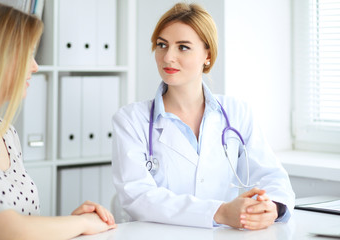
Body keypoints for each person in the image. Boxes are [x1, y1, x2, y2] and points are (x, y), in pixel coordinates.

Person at [112, 2, 295, 230]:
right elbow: (137, 197)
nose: (168, 57)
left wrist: (272, 207)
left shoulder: (237, 112)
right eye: (162, 45)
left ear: (207, 54)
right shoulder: (131, 120)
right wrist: (219, 212)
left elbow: (272, 176)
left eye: (183, 47)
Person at [0, 1, 116, 239]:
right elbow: (5, 229)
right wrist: (82, 224)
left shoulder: (6, 133)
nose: (35, 66)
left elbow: (23, 222)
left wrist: (67, 225)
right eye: (27, 55)